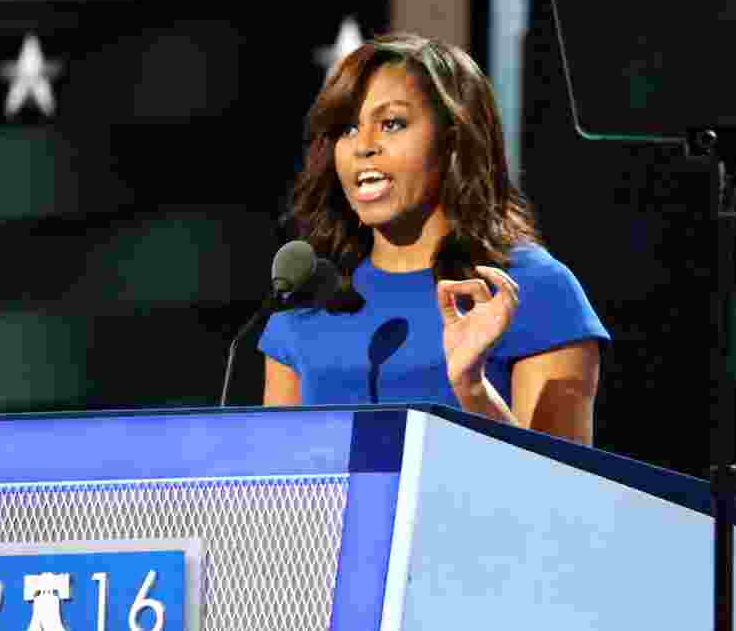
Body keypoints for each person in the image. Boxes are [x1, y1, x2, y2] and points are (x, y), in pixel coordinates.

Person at [258, 32, 609, 446]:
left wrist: (473, 389)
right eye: (347, 128)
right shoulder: (307, 298)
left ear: (453, 139)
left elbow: (559, 483)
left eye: (391, 124)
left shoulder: (532, 289)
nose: (363, 146)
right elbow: (275, 473)